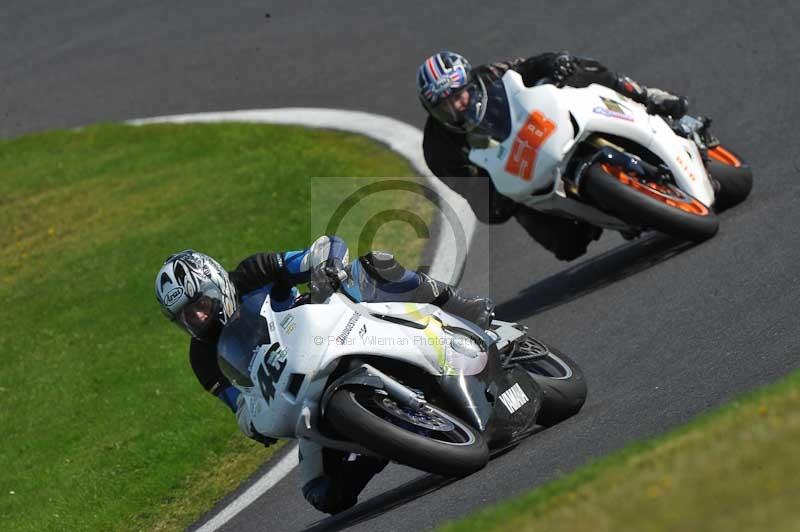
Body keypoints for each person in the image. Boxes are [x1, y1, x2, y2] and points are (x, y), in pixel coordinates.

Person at [154, 235, 494, 514]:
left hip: (331, 329)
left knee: (373, 265)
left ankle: (456, 302)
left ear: (217, 285)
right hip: (303, 393)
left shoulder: (251, 273)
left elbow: (318, 251)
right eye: (186, 317)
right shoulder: (202, 358)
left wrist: (328, 265)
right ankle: (381, 442)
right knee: (325, 494)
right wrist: (251, 423)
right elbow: (240, 403)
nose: (198, 318)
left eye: (201, 305)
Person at [417, 50, 690, 260]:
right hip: (516, 173)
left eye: (459, 95)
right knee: (566, 246)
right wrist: (497, 202)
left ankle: (646, 96)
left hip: (541, 126)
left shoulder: (489, 75)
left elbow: (530, 66)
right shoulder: (438, 151)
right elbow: (475, 195)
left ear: (469, 83)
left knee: (578, 69)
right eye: (445, 105)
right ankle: (602, 212)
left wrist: (555, 64)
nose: (457, 105)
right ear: (433, 112)